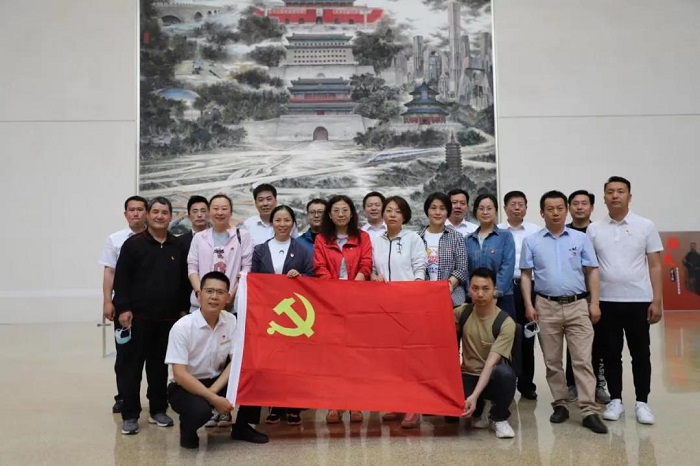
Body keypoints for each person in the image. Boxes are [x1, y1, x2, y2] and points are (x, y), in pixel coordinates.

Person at [520, 191, 607, 434]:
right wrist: (528, 305)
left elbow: (592, 271)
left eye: (560, 208)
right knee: (552, 361)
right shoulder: (532, 241)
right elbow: (526, 275)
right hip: (545, 306)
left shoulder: (581, 239)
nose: (556, 213)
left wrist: (595, 303)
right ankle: (560, 404)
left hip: (578, 305)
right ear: (542, 213)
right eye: (550, 209)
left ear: (566, 210)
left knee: (582, 359)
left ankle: (589, 410)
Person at [587, 176, 663, 425]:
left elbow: (655, 265)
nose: (615, 195)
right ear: (604, 197)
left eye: (621, 191)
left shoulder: (645, 226)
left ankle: (642, 402)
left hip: (638, 300)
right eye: (610, 191)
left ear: (630, 196)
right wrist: (593, 302)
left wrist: (657, 301)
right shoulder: (594, 229)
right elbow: (590, 268)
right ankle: (616, 400)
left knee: (641, 353)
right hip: (606, 300)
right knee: (611, 353)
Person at [113, 196, 190, 435]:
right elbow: (121, 280)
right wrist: (123, 309)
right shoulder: (133, 245)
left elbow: (183, 282)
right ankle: (130, 414)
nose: (159, 216)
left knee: (159, 368)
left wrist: (182, 311)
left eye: (164, 212)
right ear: (148, 215)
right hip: (136, 319)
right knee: (131, 368)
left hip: (167, 320)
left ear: (170, 216)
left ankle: (158, 409)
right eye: (155, 211)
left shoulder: (178, 246)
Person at [166, 271, 269, 448]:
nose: (214, 297)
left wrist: (213, 392)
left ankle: (242, 427)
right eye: (209, 291)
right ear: (199, 295)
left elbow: (236, 361)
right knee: (201, 412)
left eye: (220, 292)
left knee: (257, 376)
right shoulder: (182, 327)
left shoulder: (231, 321)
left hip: (217, 381)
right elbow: (180, 375)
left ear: (228, 298)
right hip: (185, 386)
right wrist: (213, 399)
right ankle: (188, 429)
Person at [252, 205, 314, 426]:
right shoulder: (260, 250)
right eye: (278, 220)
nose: (282, 224)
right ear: (272, 223)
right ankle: (275, 405)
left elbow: (313, 278)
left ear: (293, 223)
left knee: (295, 362)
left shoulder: (302, 249)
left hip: (294, 314)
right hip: (269, 314)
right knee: (273, 361)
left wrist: (301, 277)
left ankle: (294, 405)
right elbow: (254, 280)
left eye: (287, 220)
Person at [313, 194, 373, 424]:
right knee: (333, 356)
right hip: (330, 304)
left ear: (351, 213)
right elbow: (319, 267)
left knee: (356, 355)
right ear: (329, 214)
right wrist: (335, 293)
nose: (341, 214)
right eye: (336, 210)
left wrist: (354, 288)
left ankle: (355, 403)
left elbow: (366, 264)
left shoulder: (363, 237)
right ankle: (335, 404)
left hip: (358, 303)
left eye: (345, 210)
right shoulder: (321, 239)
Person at [371, 196, 427, 429]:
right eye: (389, 210)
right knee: (391, 359)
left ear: (404, 216)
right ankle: (397, 402)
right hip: (384, 308)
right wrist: (374, 277)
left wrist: (414, 292)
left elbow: (420, 268)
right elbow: (371, 269)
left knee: (410, 358)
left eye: (397, 211)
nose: (392, 215)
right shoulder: (376, 241)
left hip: (408, 306)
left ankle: (414, 407)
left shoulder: (413, 238)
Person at [456, 268, 517, 439]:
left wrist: (474, 396)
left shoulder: (505, 322)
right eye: (475, 288)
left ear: (494, 290)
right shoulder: (462, 312)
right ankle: (479, 409)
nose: (480, 294)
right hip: (468, 374)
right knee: (452, 411)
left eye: (485, 288)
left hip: (491, 377)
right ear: (469, 289)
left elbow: (490, 364)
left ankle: (499, 417)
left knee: (505, 374)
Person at [100, 195, 147, 413]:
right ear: (125, 214)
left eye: (140, 209)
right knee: (125, 355)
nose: (136, 213)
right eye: (132, 210)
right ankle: (123, 397)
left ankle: (157, 399)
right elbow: (109, 271)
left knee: (153, 356)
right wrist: (107, 301)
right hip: (123, 304)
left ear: (146, 213)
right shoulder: (115, 239)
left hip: (151, 306)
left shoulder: (157, 239)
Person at [564, 190, 610, 404]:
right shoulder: (564, 232)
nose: (580, 207)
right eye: (575, 203)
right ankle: (572, 384)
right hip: (572, 296)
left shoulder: (598, 232)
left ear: (591, 207)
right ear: (569, 208)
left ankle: (599, 384)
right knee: (572, 343)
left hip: (596, 296)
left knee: (598, 342)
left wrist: (595, 299)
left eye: (584, 203)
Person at [497, 190, 541, 401]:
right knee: (503, 336)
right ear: (505, 208)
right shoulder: (497, 231)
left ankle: (526, 384)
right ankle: (502, 383)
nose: (516, 208)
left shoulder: (536, 231)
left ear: (526, 207)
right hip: (503, 289)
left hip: (528, 288)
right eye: (512, 204)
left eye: (520, 204)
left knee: (527, 337)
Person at [465, 194, 516, 318]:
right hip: (476, 297)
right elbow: (465, 269)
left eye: (489, 208)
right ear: (476, 212)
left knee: (503, 328)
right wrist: (472, 291)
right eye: (481, 208)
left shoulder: (505, 236)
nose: (485, 212)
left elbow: (508, 266)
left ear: (495, 211)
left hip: (502, 297)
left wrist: (493, 292)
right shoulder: (468, 239)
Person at [418, 192, 469, 307]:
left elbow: (462, 268)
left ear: (448, 212)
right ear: (427, 211)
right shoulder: (417, 238)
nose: (437, 212)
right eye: (433, 208)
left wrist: (447, 286)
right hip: (422, 297)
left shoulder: (456, 237)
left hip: (452, 298)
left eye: (442, 208)